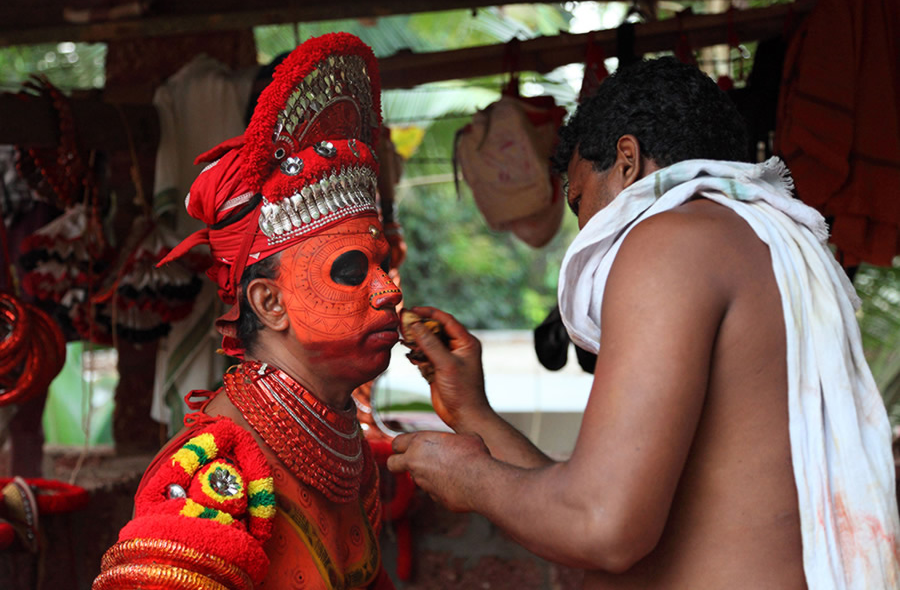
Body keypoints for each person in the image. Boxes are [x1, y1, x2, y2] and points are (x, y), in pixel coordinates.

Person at [388, 56, 900, 589]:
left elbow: (600, 526)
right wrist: (474, 414)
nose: (583, 228)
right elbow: (588, 502)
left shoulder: (672, 238)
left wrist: (469, 479)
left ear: (627, 162)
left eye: (580, 201)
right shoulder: (753, 245)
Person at [92, 33, 400, 590]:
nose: (388, 291)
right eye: (352, 270)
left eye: (384, 264)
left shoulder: (343, 447)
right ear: (269, 303)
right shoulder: (214, 472)